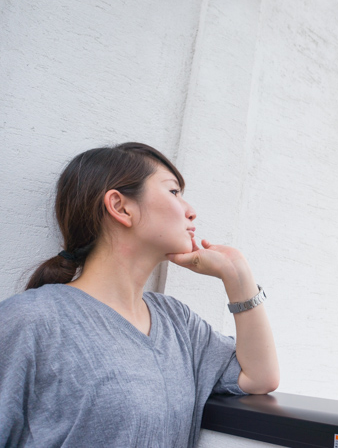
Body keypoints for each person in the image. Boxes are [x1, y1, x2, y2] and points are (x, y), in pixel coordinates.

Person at [0, 142, 279, 447]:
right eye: (173, 192)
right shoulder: (31, 320)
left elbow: (259, 378)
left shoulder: (176, 321)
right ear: (120, 207)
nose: (191, 211)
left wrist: (237, 276)